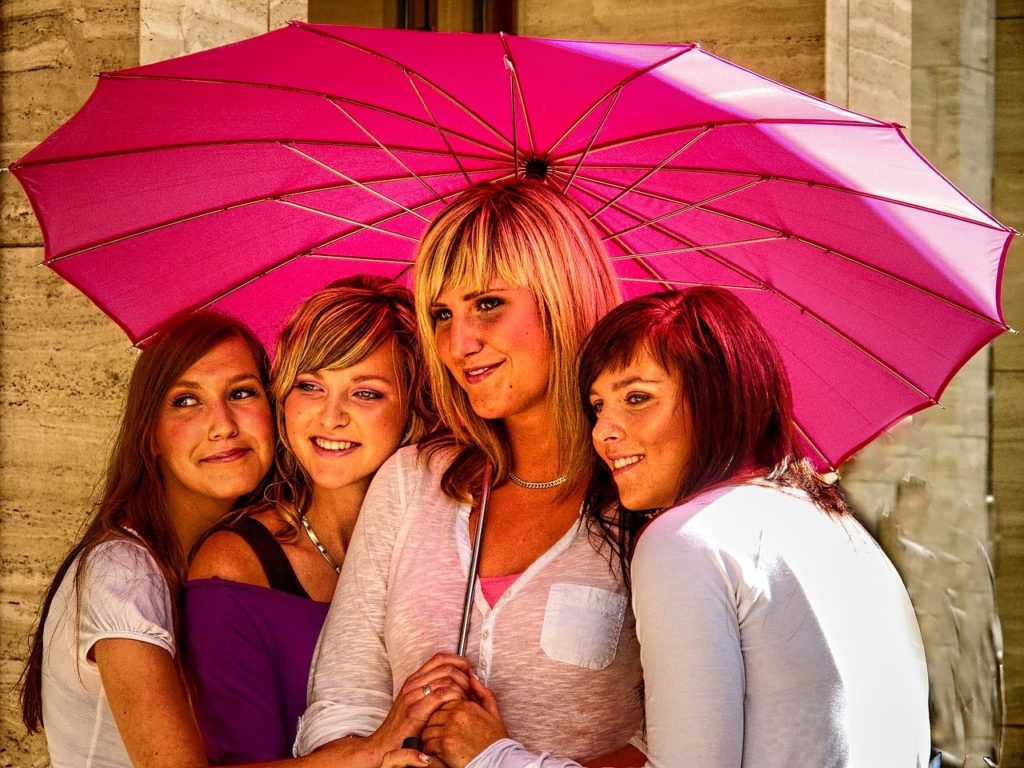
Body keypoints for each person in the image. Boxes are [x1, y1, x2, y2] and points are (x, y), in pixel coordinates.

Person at [295, 179, 644, 768]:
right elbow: (342, 697)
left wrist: (498, 760)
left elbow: (678, 744)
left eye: (487, 304)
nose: (459, 344)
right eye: (441, 314)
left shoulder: (643, 499)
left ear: (561, 298)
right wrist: (378, 756)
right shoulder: (412, 481)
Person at [572, 287, 930, 767]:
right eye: (597, 406)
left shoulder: (686, 540)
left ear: (717, 400)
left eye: (637, 398)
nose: (602, 432)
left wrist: (492, 757)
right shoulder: (833, 523)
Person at [183, 276, 435, 763]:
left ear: (415, 405)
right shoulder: (236, 567)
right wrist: (372, 750)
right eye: (310, 386)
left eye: (366, 393)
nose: (330, 416)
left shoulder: (448, 545)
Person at [19, 311, 276, 768]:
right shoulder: (122, 570)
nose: (222, 424)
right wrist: (360, 755)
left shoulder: (229, 567)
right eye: (185, 401)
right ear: (151, 434)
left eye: (241, 393)